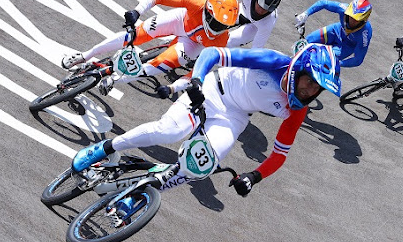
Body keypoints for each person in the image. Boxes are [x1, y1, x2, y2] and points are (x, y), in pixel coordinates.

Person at [70, 43, 342, 198]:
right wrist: (196, 80)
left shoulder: (297, 110)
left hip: (234, 116)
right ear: (299, 70)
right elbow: (212, 53)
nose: (309, 91)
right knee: (169, 131)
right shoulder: (272, 61)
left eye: (317, 89)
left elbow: (280, 153)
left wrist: (254, 177)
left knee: (201, 166)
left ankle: (139, 196)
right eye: (309, 82)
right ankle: (106, 149)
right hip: (212, 89)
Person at [60, 0, 239, 95]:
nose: (218, 27)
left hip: (193, 45)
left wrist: (173, 88)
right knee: (132, 36)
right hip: (179, 22)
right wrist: (137, 11)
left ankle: (115, 80)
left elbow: (195, 74)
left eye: (223, 25)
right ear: (207, 11)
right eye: (215, 21)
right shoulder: (196, 3)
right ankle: (84, 56)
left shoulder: (221, 40)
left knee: (161, 63)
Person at [294, 0, 373, 68]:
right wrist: (305, 14)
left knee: (323, 60)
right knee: (306, 42)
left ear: (363, 20)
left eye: (356, 20)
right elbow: (323, 3)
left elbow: (358, 60)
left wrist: (339, 63)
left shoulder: (365, 35)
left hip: (346, 47)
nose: (351, 21)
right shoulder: (344, 9)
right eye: (350, 16)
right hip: (336, 31)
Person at [202, 0, 283, 49]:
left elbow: (256, 50)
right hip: (242, 11)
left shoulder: (268, 22)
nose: (260, 11)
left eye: (265, 9)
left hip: (255, 27)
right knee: (213, 24)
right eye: (259, 5)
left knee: (228, 42)